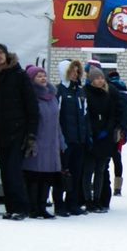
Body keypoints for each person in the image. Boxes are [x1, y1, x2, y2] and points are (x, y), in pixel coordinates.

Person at [0, 43, 37, 220]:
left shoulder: (20, 76)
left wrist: (31, 134)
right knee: (4, 171)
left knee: (14, 171)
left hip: (18, 131)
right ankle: (11, 207)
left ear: (6, 55)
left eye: (0, 52)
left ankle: (21, 207)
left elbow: (31, 106)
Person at [22, 65, 64, 217]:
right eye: (38, 76)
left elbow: (56, 121)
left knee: (47, 176)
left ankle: (42, 206)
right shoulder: (30, 96)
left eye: (44, 75)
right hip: (37, 141)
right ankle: (32, 207)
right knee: (34, 176)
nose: (43, 78)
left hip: (51, 142)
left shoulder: (52, 96)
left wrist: (61, 140)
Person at [56, 60, 92, 216]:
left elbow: (85, 115)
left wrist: (87, 136)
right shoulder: (59, 91)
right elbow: (55, 117)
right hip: (65, 139)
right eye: (72, 71)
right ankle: (59, 204)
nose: (75, 74)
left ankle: (73, 202)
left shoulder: (80, 91)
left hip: (79, 139)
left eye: (77, 72)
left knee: (77, 172)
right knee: (62, 172)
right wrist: (59, 138)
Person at [82, 61, 119, 211]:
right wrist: (92, 132)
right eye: (97, 78)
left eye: (101, 78)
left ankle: (97, 199)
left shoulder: (107, 94)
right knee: (88, 170)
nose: (100, 80)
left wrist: (107, 130)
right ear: (91, 80)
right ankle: (87, 199)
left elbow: (112, 114)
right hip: (92, 137)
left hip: (105, 138)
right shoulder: (85, 93)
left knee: (100, 171)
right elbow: (86, 115)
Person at [108, 67, 127, 196]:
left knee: (105, 159)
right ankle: (118, 188)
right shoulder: (126, 92)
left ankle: (99, 185)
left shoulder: (108, 90)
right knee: (117, 159)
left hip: (109, 131)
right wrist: (125, 133)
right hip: (120, 132)